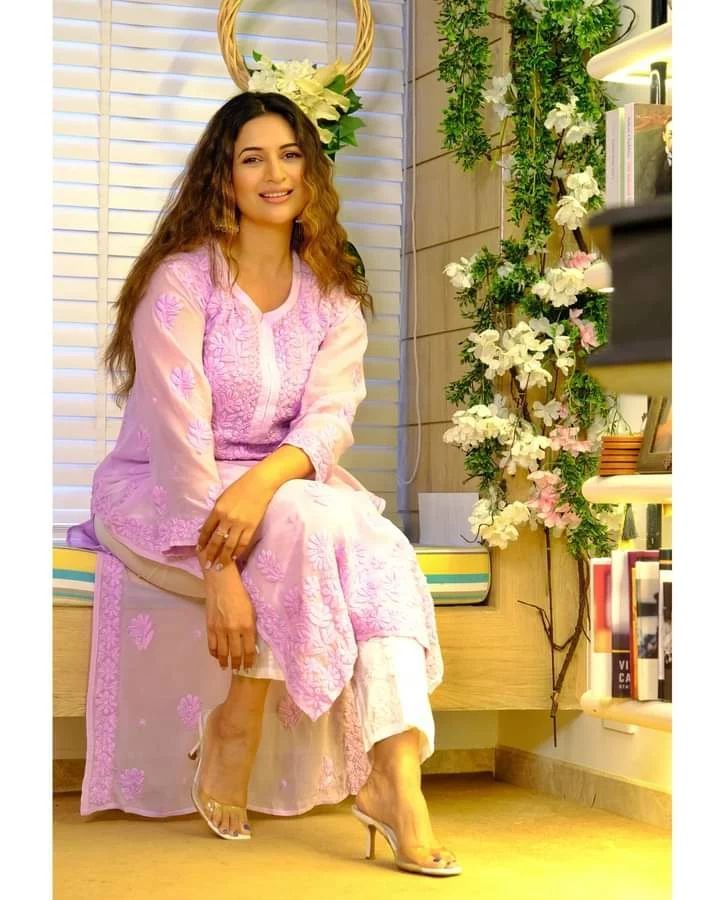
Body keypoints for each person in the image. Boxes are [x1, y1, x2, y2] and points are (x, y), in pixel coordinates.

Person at [67, 90, 460, 877]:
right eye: (253, 158)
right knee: (311, 523)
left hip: (286, 484)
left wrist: (261, 485)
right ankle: (234, 728)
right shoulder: (181, 284)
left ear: (311, 172)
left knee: (379, 547)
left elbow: (329, 420)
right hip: (161, 490)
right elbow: (177, 435)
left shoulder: (334, 298)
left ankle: (396, 778)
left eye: (289, 155)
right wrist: (219, 571)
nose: (275, 174)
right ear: (224, 177)